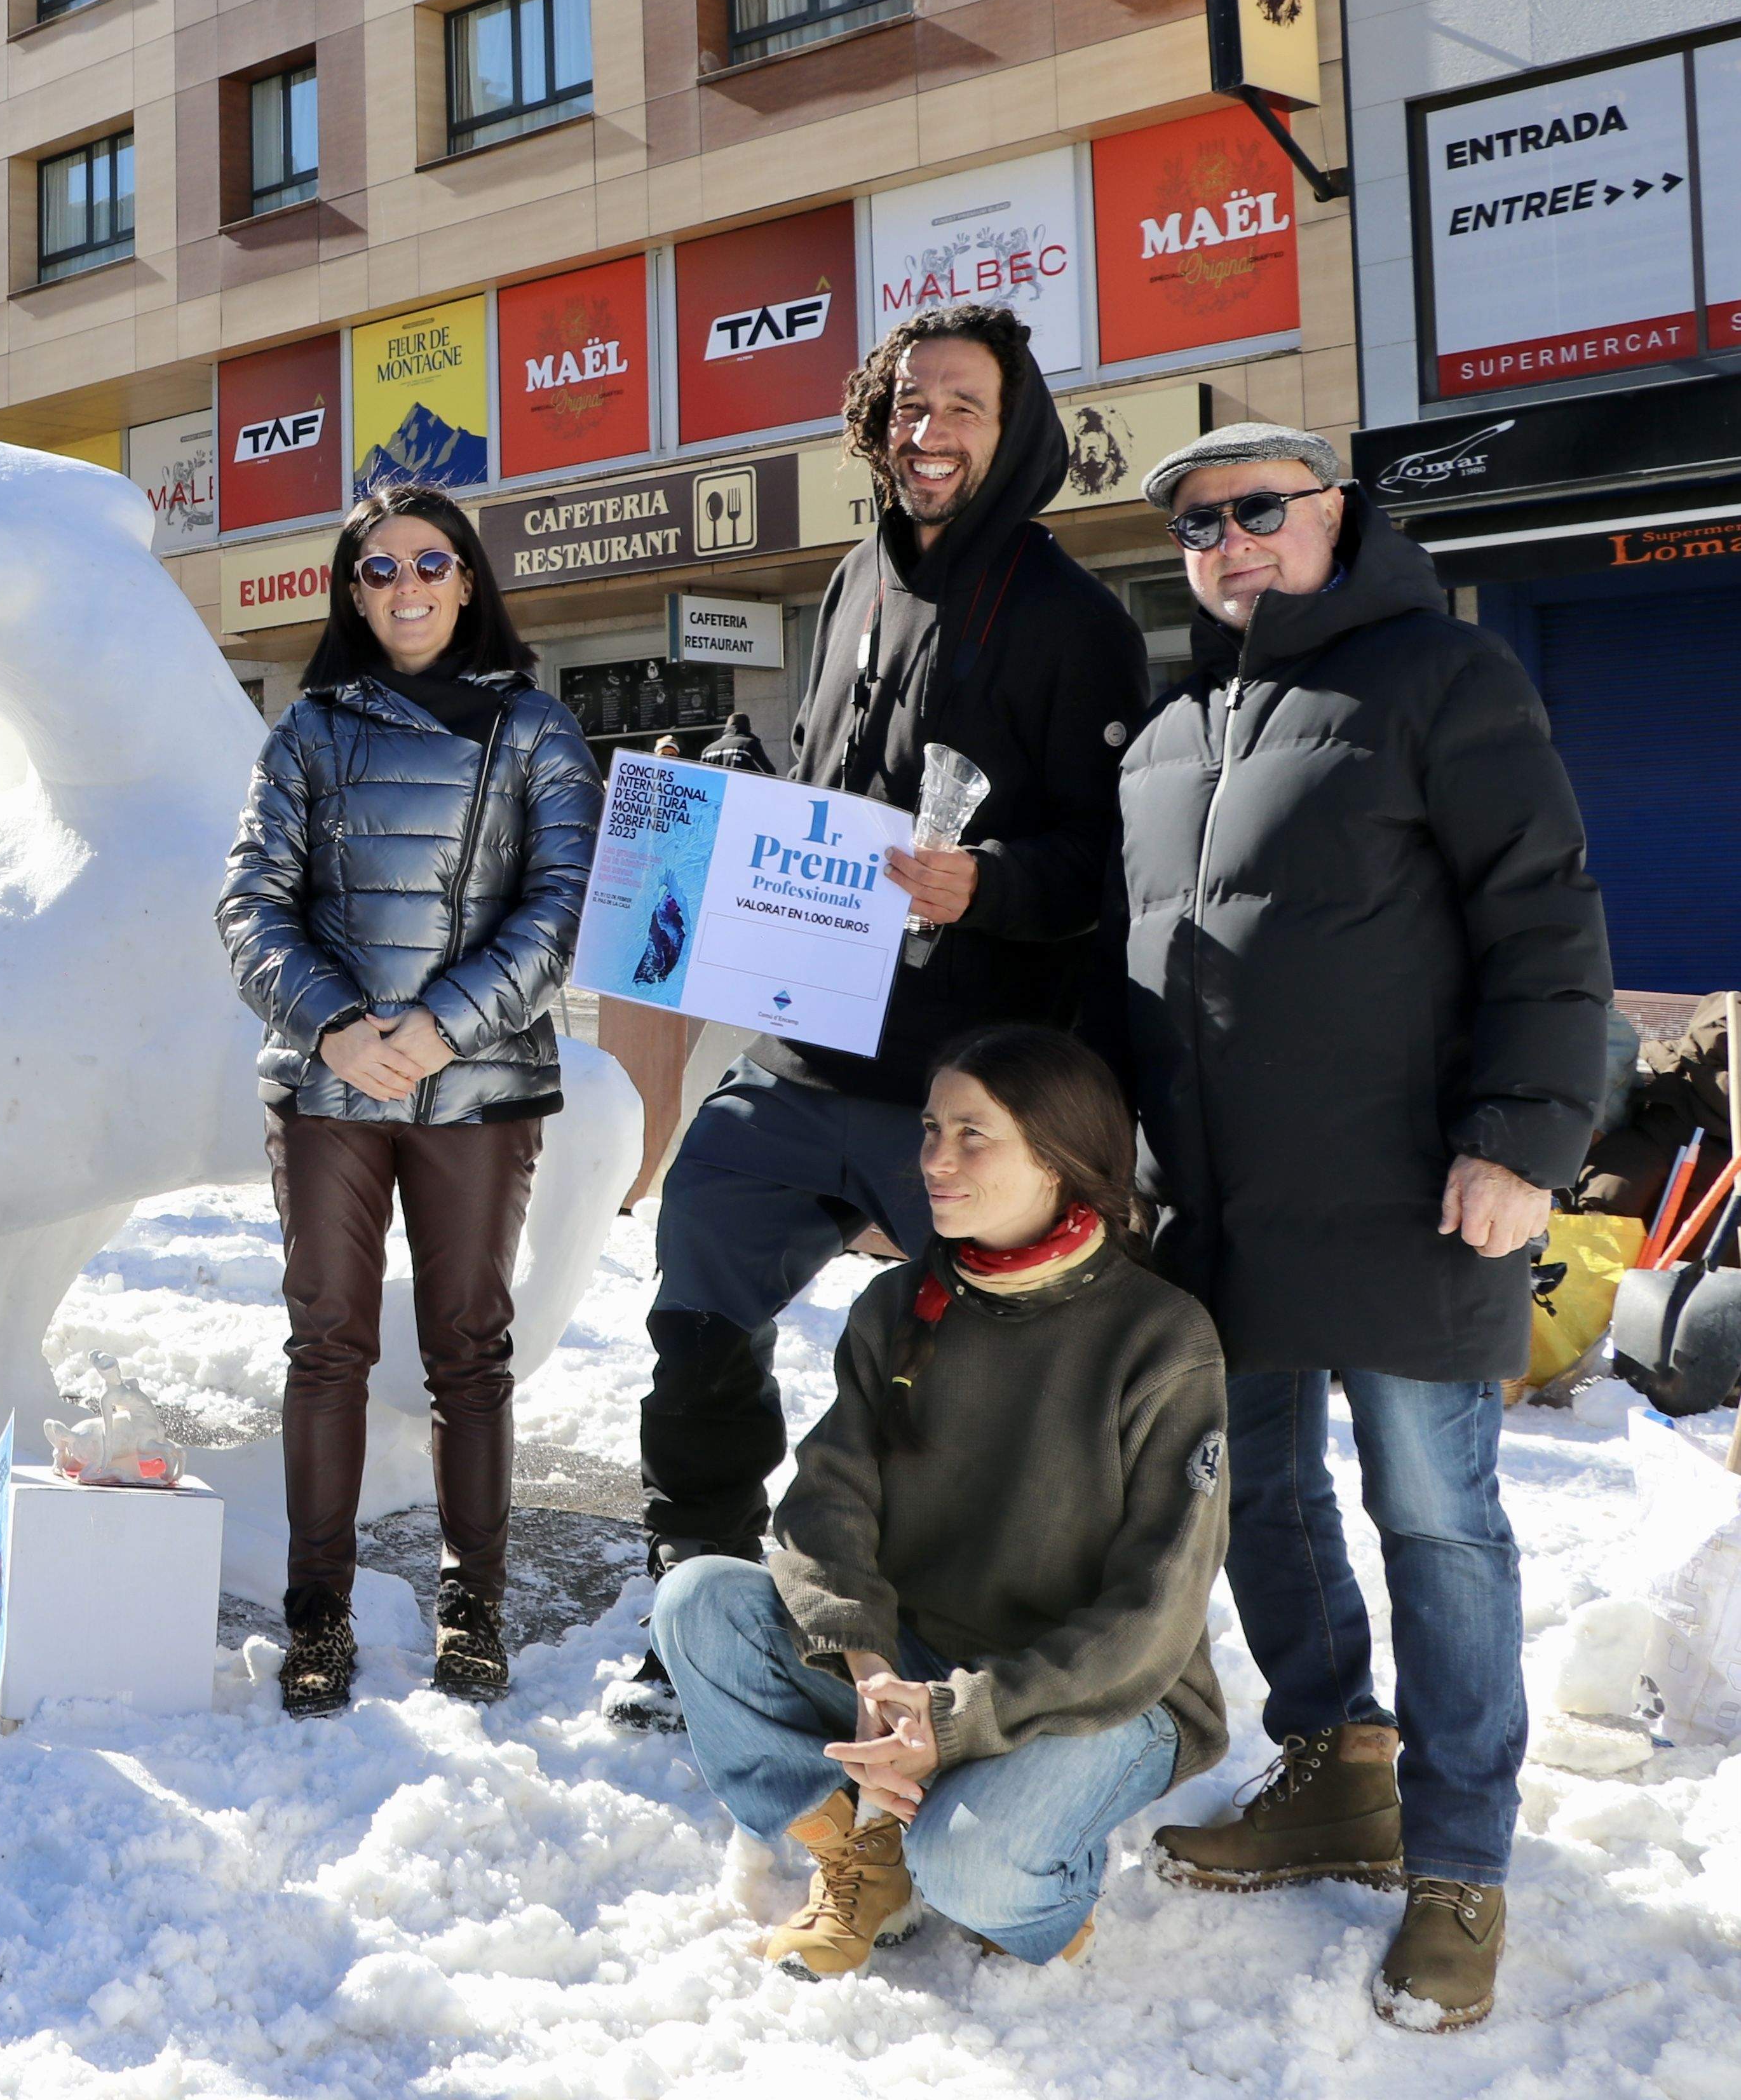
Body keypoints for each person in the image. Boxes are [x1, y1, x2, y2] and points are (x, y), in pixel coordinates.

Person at [1114, 423, 1609, 2031]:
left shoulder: (1447, 682)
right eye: (1199, 524)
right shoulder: (1167, 732)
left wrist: (1527, 1140)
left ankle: (1460, 1863)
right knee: (1258, 1492)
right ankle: (1337, 1766)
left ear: (1338, 514)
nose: (1230, 542)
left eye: (1261, 510)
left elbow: (1545, 911)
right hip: (1226, 1212)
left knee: (1435, 1519)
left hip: (1417, 1195)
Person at [607, 303, 1149, 1730]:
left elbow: (1110, 867)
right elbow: (830, 785)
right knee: (701, 1262)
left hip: (972, 1079)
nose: (929, 433)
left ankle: (967, 1639)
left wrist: (991, 885)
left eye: (961, 408)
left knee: (984, 1375)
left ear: (1014, 426)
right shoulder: (852, 580)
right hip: (807, 1054)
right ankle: (703, 1594)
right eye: (911, 405)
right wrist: (737, 787)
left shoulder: (1076, 623)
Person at [651, 1025, 1228, 1976]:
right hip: (918, 1666)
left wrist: (956, 1722)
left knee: (970, 1867)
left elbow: (1151, 1616)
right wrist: (873, 1671)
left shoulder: (1162, 1338)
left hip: (1104, 1694)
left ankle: (1033, 1883)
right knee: (699, 1604)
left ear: (1060, 1158)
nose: (934, 1160)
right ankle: (865, 1852)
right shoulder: (897, 1305)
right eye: (930, 1129)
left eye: (973, 1135)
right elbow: (823, 1508)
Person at [220, 481, 604, 1717]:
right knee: (327, 1345)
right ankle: (316, 1616)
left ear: (470, 578)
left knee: (468, 1353)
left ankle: (474, 1609)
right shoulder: (311, 732)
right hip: (329, 1084)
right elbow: (251, 903)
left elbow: (562, 907)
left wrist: (443, 1024)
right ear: (351, 591)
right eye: (377, 570)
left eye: (430, 564)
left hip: (479, 1084)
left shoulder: (538, 730)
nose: (407, 589)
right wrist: (336, 1022)